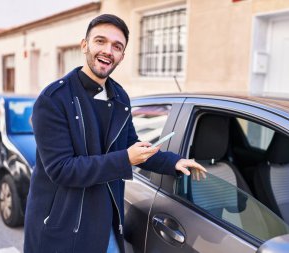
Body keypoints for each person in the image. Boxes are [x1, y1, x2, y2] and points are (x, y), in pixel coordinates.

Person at [24, 14, 206, 253]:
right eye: (100, 41)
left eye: (117, 46)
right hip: (64, 228)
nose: (108, 50)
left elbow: (131, 144)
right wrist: (125, 159)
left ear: (122, 55)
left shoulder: (120, 97)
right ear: (84, 45)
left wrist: (174, 162)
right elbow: (62, 169)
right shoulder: (53, 99)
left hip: (106, 221)